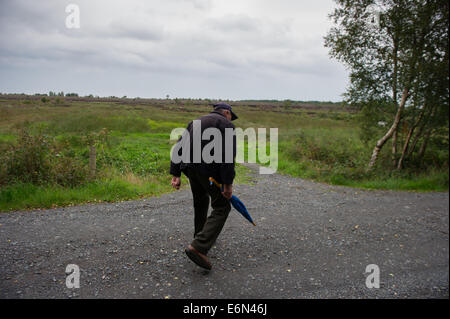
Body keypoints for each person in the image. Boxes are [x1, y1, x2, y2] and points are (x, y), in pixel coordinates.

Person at [170, 102, 238, 270]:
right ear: (227, 113)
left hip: (191, 169)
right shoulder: (227, 125)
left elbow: (178, 148)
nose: (231, 118)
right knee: (222, 207)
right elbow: (228, 157)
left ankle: (200, 237)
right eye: (231, 115)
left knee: (201, 202)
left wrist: (175, 174)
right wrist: (227, 185)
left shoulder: (196, 122)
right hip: (208, 172)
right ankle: (199, 246)